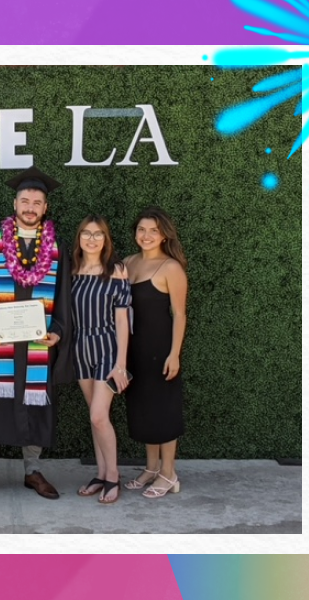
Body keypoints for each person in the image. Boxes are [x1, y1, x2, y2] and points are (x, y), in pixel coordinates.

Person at [0, 166, 73, 503]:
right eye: (25, 200)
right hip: (2, 343)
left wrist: (59, 331)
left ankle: (32, 470)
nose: (30, 206)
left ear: (45, 208)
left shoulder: (56, 247)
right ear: (14, 202)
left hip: (38, 343)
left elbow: (64, 295)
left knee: (35, 404)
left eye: (37, 202)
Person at [122, 206, 188, 499]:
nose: (146, 235)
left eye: (153, 230)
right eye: (141, 229)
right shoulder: (127, 263)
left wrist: (175, 354)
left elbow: (180, 314)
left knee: (164, 412)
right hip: (134, 351)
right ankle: (150, 468)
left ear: (163, 235)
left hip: (161, 350)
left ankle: (169, 473)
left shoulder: (170, 267)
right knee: (143, 411)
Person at [71, 215, 131, 505]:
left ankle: (113, 476)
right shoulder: (72, 270)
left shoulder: (116, 270)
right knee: (95, 418)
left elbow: (122, 321)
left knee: (98, 415)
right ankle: (100, 473)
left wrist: (121, 364)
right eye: (86, 233)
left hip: (107, 346)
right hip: (80, 347)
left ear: (106, 240)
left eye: (98, 234)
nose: (92, 239)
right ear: (79, 238)